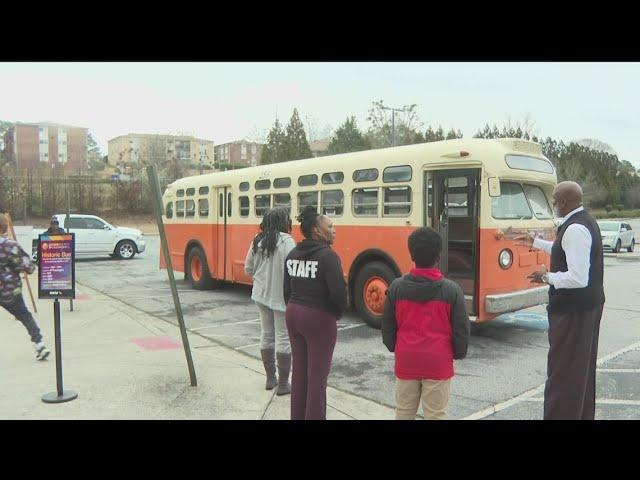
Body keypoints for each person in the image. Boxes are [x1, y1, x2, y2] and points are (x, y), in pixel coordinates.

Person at [523, 181, 604, 420]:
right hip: (586, 307)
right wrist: (535, 243)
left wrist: (546, 277)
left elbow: (578, 277)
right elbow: (563, 250)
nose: (553, 205)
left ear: (565, 202)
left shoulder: (575, 229)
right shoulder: (583, 221)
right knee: (579, 370)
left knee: (564, 373)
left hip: (573, 311)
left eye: (555, 201)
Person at [382, 227, 469, 420]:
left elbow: (387, 326)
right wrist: (457, 353)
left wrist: (394, 347)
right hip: (438, 362)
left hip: (406, 360)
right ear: (438, 256)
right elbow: (461, 330)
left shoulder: (396, 288)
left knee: (404, 413)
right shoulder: (452, 291)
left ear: (411, 255)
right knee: (436, 415)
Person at [283, 207, 347, 420]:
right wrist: (335, 314)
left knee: (300, 376)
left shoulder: (292, 254)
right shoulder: (328, 257)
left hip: (293, 314)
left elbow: (287, 289)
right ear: (317, 231)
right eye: (330, 227)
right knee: (317, 381)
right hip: (318, 318)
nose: (334, 230)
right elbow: (338, 294)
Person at [245, 207, 296, 395]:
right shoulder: (288, 242)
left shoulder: (257, 241)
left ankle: (270, 378)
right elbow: (293, 269)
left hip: (260, 295)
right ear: (284, 222)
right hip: (281, 297)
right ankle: (283, 384)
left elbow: (248, 269)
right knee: (283, 337)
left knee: (266, 333)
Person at [0, 213, 50, 361]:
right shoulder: (10, 246)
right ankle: (39, 345)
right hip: (9, 291)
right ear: (5, 227)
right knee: (24, 315)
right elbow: (28, 266)